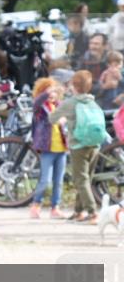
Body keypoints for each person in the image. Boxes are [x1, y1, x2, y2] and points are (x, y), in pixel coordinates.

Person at [50, 70, 109, 224]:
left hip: (78, 146)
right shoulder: (92, 102)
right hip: (95, 144)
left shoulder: (71, 103)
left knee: (80, 180)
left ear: (73, 86)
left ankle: (92, 213)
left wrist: (62, 117)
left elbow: (52, 118)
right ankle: (78, 212)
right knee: (85, 179)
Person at [29, 77, 68, 220]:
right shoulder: (41, 108)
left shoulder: (59, 106)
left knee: (58, 181)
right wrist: (47, 93)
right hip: (47, 149)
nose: (51, 94)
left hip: (61, 149)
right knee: (45, 180)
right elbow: (36, 102)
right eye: (47, 91)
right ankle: (36, 204)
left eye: (53, 91)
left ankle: (55, 208)